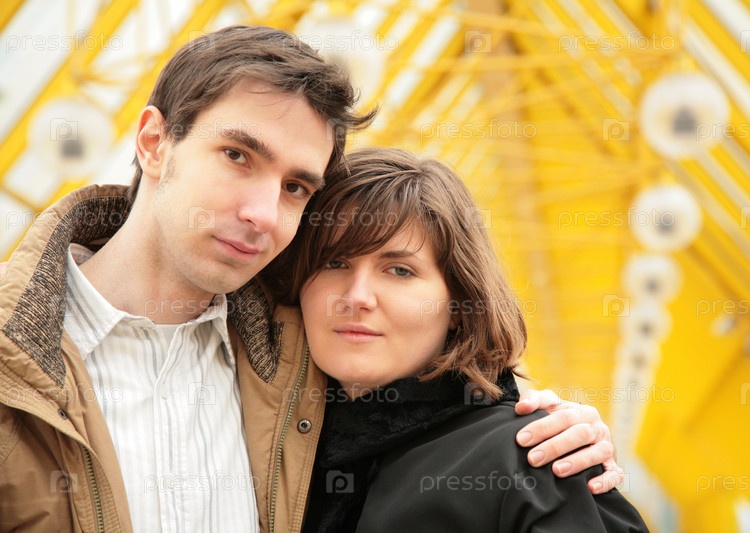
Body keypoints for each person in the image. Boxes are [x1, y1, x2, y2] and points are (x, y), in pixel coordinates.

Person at [0, 26, 621, 533]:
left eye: (296, 187)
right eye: (238, 155)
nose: (263, 214)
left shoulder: (296, 363)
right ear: (154, 141)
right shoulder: (16, 368)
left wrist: (547, 431)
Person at [264, 147, 649, 532]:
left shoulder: (535, 458)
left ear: (460, 305)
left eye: (399, 270)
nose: (356, 297)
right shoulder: (273, 451)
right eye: (334, 263)